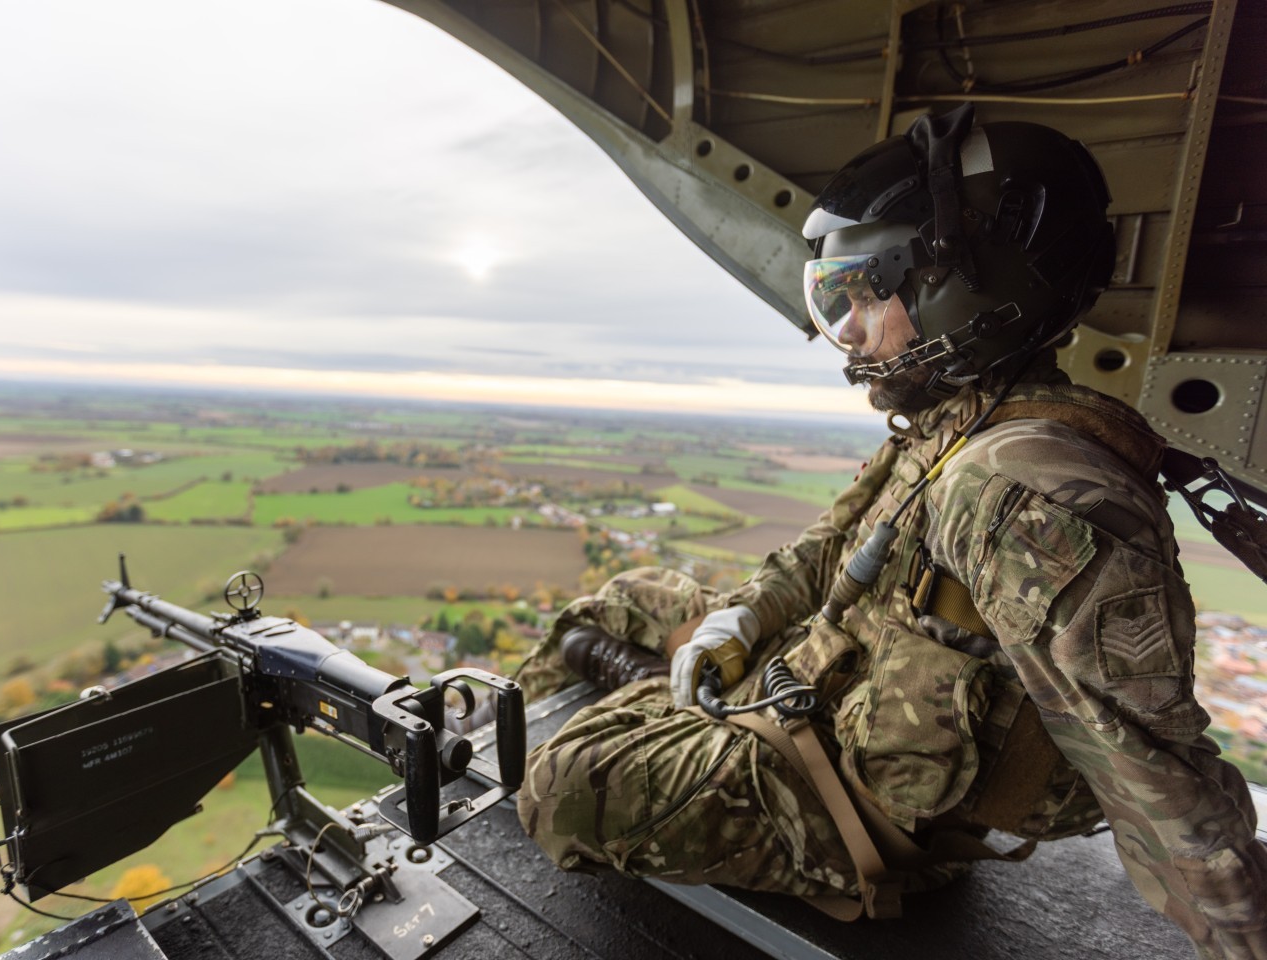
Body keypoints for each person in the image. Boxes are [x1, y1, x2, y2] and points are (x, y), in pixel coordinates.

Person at [512, 105, 1267, 958]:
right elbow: (831, 550)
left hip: (860, 800)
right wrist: (746, 622)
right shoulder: (959, 421)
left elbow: (1152, 775)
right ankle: (673, 702)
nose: (851, 328)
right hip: (832, 680)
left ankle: (670, 730)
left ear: (963, 290)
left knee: (563, 784)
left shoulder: (1030, 491)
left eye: (864, 292)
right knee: (623, 604)